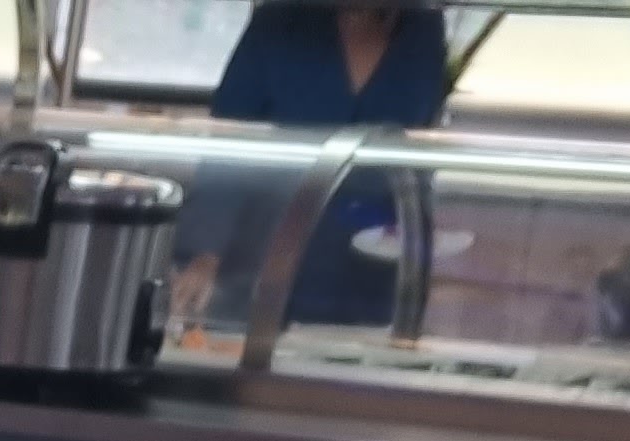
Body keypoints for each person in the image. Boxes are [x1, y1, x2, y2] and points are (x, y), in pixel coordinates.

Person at [193, 3, 450, 328]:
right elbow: (227, 143)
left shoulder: (423, 27)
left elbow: (415, 150)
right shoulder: (280, 21)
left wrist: (417, 236)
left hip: (370, 278)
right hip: (268, 262)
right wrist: (205, 255)